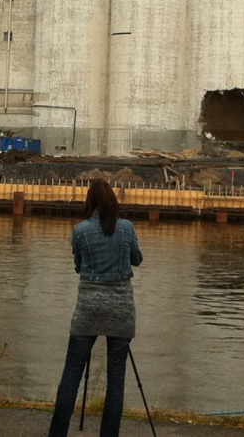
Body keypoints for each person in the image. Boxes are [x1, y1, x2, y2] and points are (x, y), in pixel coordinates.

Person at [48, 179, 144, 437]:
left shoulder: (80, 231)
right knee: (116, 379)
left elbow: (79, 267)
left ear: (89, 202)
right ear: (113, 201)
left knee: (71, 375)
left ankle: (56, 433)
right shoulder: (126, 228)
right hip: (121, 312)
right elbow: (137, 259)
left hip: (88, 310)